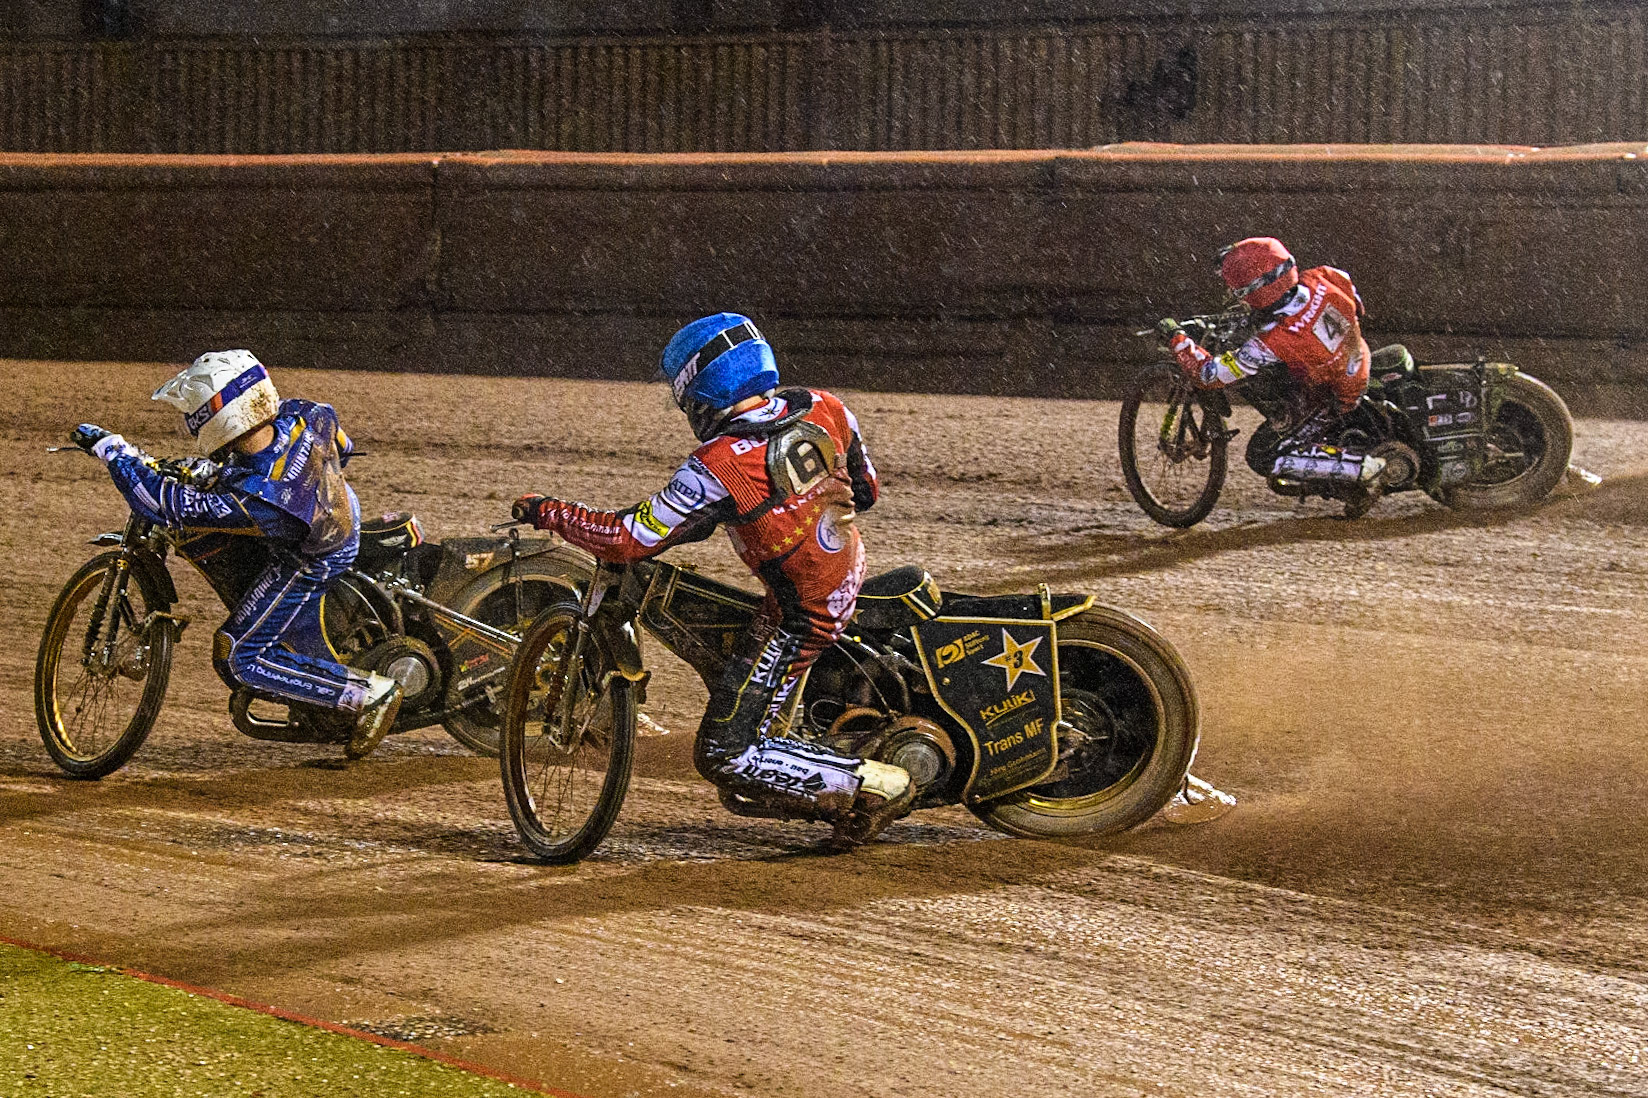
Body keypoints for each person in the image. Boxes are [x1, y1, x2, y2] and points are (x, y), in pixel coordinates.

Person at [512, 313, 913, 848]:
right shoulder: (825, 405)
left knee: (725, 752)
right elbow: (866, 490)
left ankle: (868, 784)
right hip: (843, 570)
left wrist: (549, 511)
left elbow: (628, 538)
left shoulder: (716, 465)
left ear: (696, 388)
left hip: (802, 611)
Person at [71, 350, 402, 759]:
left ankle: (364, 695)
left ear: (219, 416)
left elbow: (164, 504)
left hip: (312, 558)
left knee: (238, 654)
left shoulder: (259, 499)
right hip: (342, 513)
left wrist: (113, 450)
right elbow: (343, 448)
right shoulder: (307, 414)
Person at [1157, 236, 1386, 490]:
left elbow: (1208, 375)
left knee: (1261, 455)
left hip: (1331, 399)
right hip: (1357, 361)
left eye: (1239, 292)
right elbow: (1356, 307)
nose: (1237, 298)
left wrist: (1176, 338)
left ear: (1257, 290)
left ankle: (1361, 468)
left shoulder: (1273, 343)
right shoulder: (1325, 276)